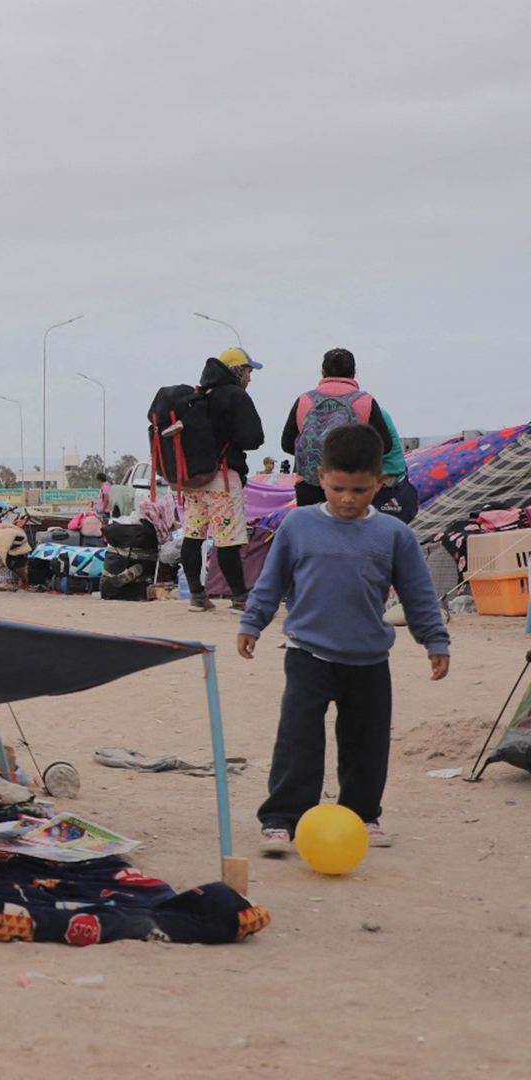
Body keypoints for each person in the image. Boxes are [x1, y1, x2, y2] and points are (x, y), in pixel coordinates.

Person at [238, 423, 450, 855]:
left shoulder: (394, 535)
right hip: (307, 655)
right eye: (338, 488)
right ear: (320, 476)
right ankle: (281, 820)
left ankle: (361, 815)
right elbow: (270, 581)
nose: (349, 499)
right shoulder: (298, 525)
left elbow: (419, 595)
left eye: (360, 489)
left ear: (380, 481)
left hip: (370, 661)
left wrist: (435, 641)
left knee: (366, 744)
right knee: (298, 741)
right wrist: (251, 623)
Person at [178, 347, 266, 612]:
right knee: (227, 538)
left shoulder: (200, 395)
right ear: (238, 370)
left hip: (193, 480)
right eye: (249, 371)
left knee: (193, 535)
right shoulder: (235, 396)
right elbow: (253, 439)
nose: (251, 377)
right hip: (222, 478)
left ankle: (197, 595)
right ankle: (240, 597)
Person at [281, 347, 407, 509]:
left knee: (313, 531)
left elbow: (287, 444)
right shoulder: (365, 401)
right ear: (353, 373)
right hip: (352, 486)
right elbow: (386, 445)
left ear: (323, 372)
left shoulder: (304, 400)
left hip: (309, 484)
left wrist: (316, 455)